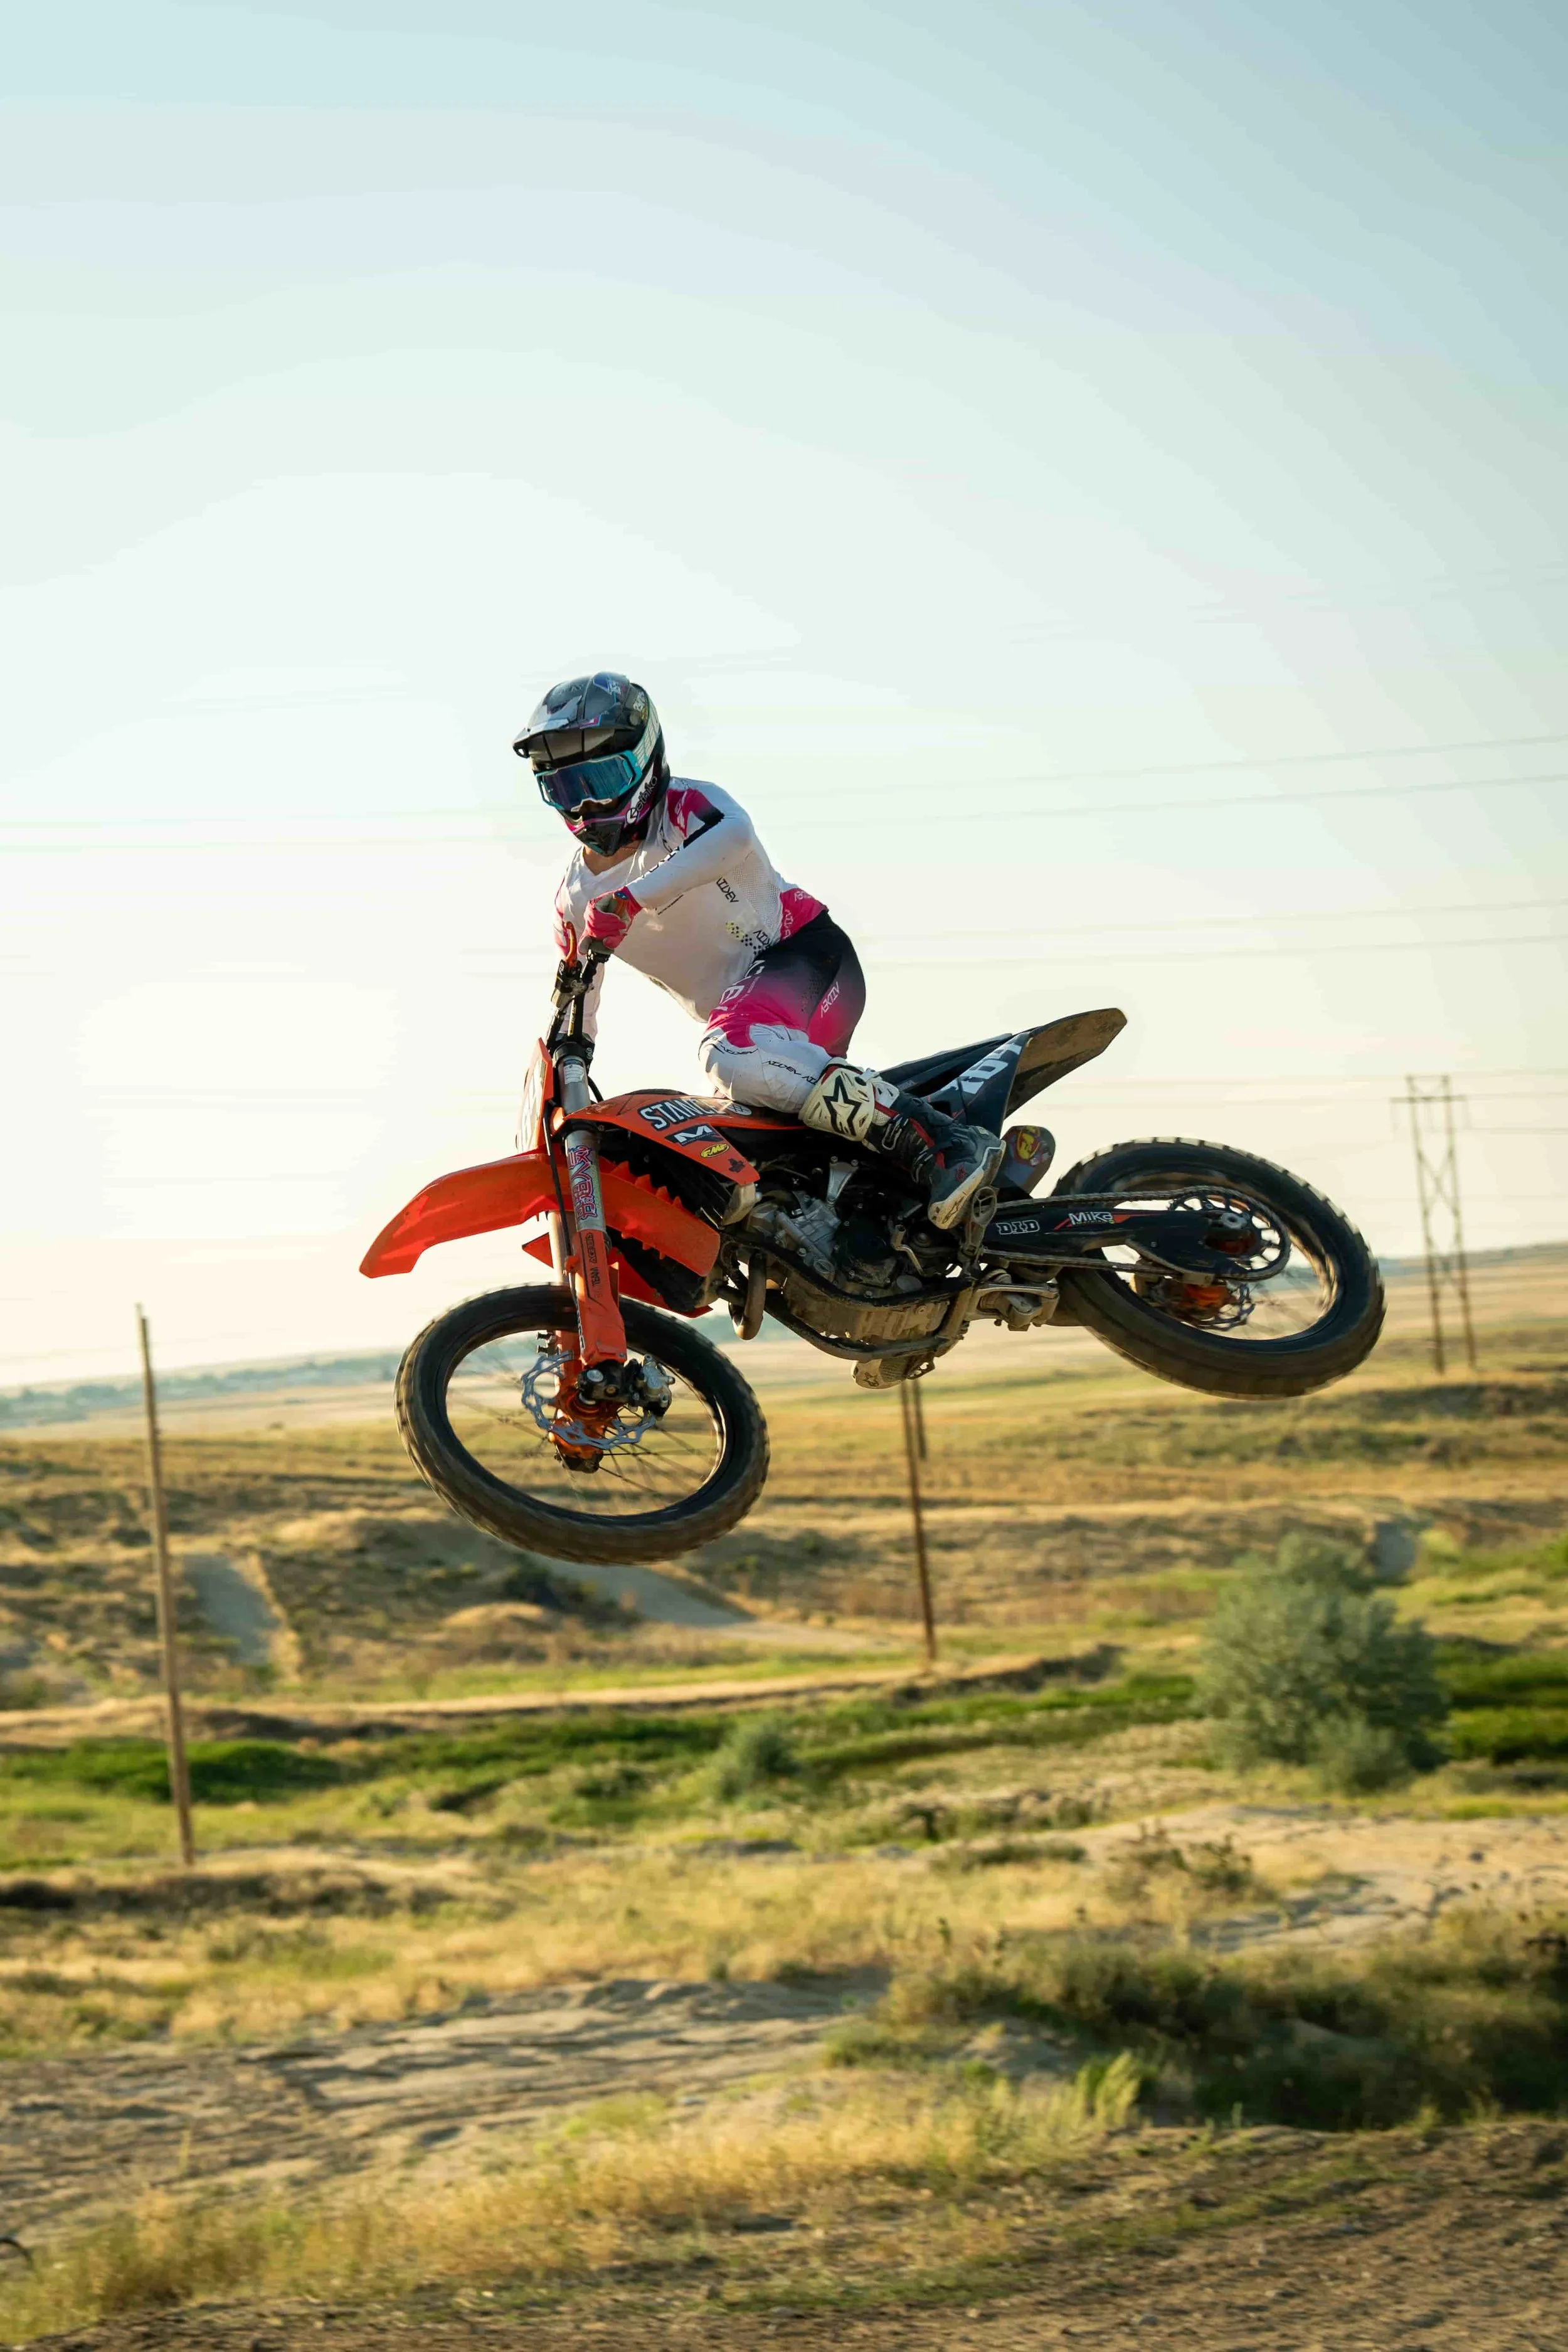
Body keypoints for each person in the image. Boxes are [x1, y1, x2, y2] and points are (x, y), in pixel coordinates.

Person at [515, 670, 1004, 1232]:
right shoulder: (574, 902)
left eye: (600, 779)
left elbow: (736, 837)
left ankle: (942, 1143)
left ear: (644, 760)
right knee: (723, 1155)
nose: (585, 804)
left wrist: (633, 898)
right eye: (564, 789)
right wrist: (559, 1090)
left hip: (808, 958)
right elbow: (575, 1015)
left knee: (731, 1052)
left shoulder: (685, 808)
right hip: (753, 1027)